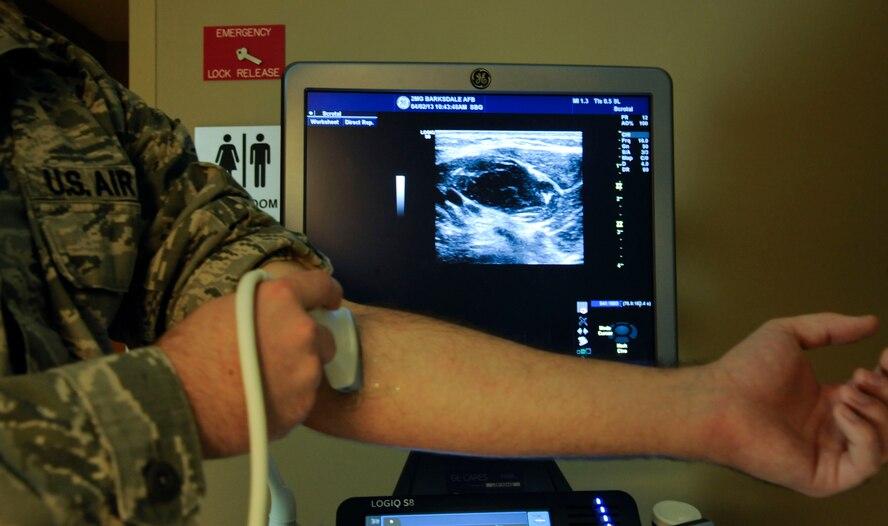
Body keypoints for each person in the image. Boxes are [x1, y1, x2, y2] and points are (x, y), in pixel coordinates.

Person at [0, 2, 885, 524]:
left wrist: (716, 409)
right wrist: (174, 399)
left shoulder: (62, 86)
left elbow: (312, 337)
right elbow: (226, 371)